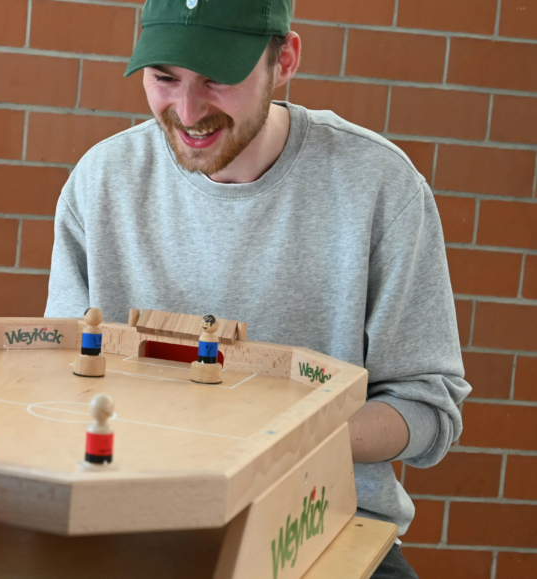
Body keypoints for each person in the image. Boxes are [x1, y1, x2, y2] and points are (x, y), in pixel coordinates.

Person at [44, 0, 471, 576]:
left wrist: (273, 440)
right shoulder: (101, 182)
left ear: (285, 60)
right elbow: (65, 375)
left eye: (217, 78)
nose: (187, 110)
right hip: (135, 526)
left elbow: (427, 410)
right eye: (164, 77)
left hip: (326, 526)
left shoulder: (380, 186)